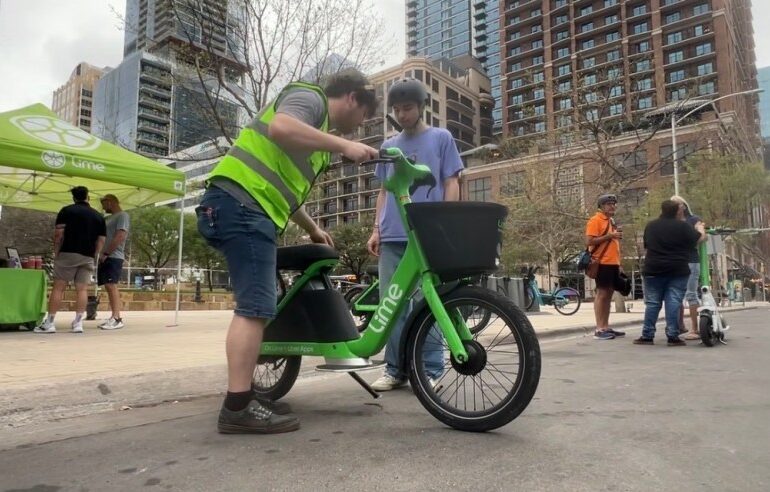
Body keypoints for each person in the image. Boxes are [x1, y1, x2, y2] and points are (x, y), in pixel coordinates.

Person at [197, 69, 379, 434]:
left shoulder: (315, 139)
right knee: (255, 308)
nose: (359, 127)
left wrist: (313, 228)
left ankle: (243, 395)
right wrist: (343, 146)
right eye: (364, 117)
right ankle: (236, 407)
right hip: (241, 204)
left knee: (259, 306)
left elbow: (283, 187)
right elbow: (280, 127)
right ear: (354, 98)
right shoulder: (308, 98)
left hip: (249, 208)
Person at [366, 77, 463, 392]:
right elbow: (383, 191)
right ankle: (395, 369)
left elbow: (451, 181)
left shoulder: (441, 138)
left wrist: (448, 222)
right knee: (391, 304)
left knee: (428, 304)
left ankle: (431, 370)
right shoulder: (389, 146)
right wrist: (376, 228)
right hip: (393, 235)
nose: (402, 114)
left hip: (426, 235)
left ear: (422, 107)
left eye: (407, 107)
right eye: (397, 109)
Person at [633, 200, 706, 346]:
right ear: (677, 211)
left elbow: (647, 245)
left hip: (653, 269)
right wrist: (700, 228)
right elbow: (698, 239)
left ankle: (647, 335)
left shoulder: (651, 226)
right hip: (677, 269)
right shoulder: (683, 226)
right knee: (673, 302)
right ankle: (673, 336)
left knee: (653, 303)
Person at [35, 186, 106, 334]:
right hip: (87, 256)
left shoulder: (66, 211)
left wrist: (57, 252)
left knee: (58, 287)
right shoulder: (98, 216)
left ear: (73, 198)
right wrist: (94, 254)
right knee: (82, 289)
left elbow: (58, 234)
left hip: (67, 253)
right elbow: (101, 240)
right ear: (88, 197)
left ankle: (50, 323)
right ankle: (78, 323)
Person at [585, 194, 624, 340]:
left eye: (614, 204)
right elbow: (589, 241)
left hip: (613, 263)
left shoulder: (611, 221)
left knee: (608, 294)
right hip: (601, 263)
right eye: (609, 204)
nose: (612, 206)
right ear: (601, 206)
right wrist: (610, 236)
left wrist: (619, 264)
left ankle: (606, 326)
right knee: (602, 294)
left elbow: (614, 245)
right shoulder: (595, 220)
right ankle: (599, 328)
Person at [670, 195, 707, 340]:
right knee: (675, 295)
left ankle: (695, 328)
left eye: (677, 204)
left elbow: (702, 236)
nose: (674, 207)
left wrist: (691, 240)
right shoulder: (670, 222)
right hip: (674, 261)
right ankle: (678, 326)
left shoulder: (693, 220)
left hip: (690, 261)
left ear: (684, 206)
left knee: (691, 294)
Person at [97, 194, 130, 330]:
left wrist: (106, 252)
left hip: (113, 256)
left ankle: (117, 318)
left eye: (104, 204)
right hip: (105, 256)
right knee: (108, 286)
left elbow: (120, 235)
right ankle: (112, 317)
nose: (103, 207)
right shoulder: (107, 218)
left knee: (111, 285)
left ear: (110, 202)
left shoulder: (122, 215)